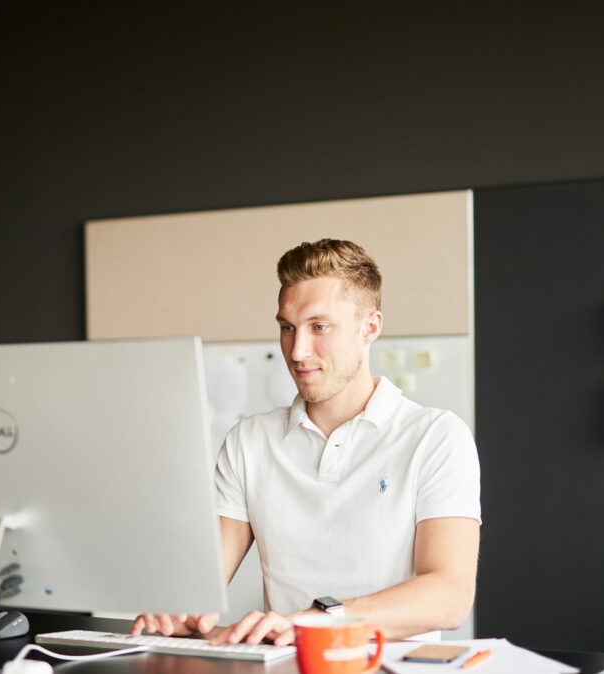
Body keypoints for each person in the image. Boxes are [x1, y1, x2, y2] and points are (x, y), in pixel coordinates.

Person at [132, 239, 481, 646]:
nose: (297, 351)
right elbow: (202, 585)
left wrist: (316, 621)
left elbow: (449, 597)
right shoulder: (249, 442)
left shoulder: (436, 437)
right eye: (287, 328)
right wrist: (180, 609)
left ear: (370, 327)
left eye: (320, 327)